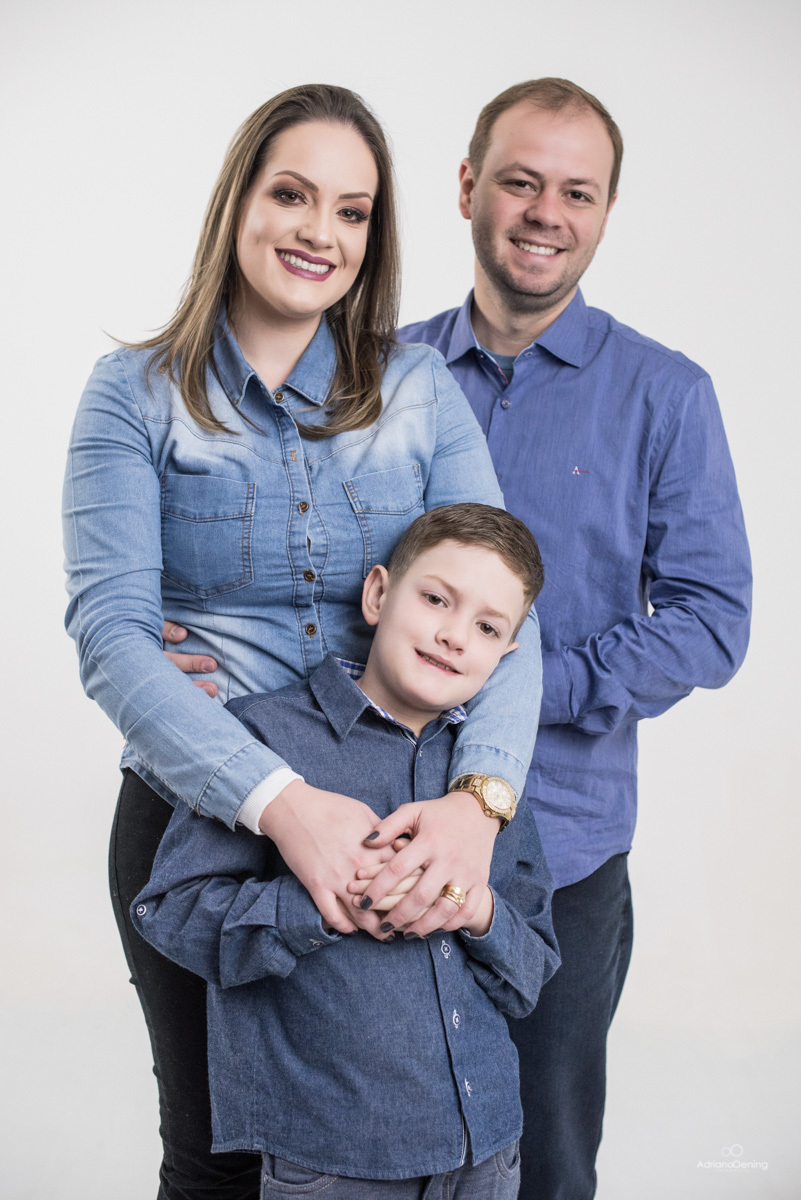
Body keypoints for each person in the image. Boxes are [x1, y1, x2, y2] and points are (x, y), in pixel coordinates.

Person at [62, 86, 544, 1199]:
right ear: (239, 203)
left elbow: (516, 618)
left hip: (406, 824)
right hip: (206, 826)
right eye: (291, 194)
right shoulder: (131, 397)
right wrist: (281, 800)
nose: (319, 233)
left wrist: (479, 805)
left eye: (353, 210)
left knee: (410, 1142)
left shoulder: (421, 393)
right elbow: (112, 635)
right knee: (221, 1158)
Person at [394, 79, 752, 1199]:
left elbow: (712, 619)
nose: (546, 211)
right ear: (466, 188)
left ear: (604, 213)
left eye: (577, 191)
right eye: (520, 180)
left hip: (562, 851)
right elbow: (307, 569)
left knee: (545, 1165)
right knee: (369, 1150)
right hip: (375, 829)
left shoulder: (666, 395)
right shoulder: (381, 373)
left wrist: (521, 685)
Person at [131, 504, 560, 1198]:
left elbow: (531, 969)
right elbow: (170, 911)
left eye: (486, 628)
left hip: (484, 1153)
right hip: (330, 1155)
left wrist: (474, 907)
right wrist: (320, 905)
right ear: (378, 594)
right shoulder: (261, 737)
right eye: (435, 600)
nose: (454, 636)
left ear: (505, 657)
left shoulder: (484, 787)